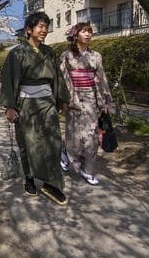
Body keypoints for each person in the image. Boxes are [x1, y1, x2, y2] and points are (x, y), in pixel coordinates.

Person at [0, 12, 71, 206]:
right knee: (28, 142)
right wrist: (9, 107)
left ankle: (51, 182)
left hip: (47, 103)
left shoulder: (49, 52)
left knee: (53, 141)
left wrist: (62, 99)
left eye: (46, 26)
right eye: (40, 26)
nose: (44, 30)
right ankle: (29, 178)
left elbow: (57, 77)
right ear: (29, 30)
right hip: (27, 105)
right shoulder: (17, 53)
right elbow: (8, 80)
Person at [59, 22, 112, 186]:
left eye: (90, 32)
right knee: (74, 134)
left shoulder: (96, 56)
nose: (88, 35)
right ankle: (67, 154)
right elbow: (61, 79)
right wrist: (63, 100)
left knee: (92, 136)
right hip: (72, 98)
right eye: (84, 31)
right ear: (76, 35)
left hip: (91, 99)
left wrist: (106, 99)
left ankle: (88, 170)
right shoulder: (66, 56)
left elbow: (101, 78)